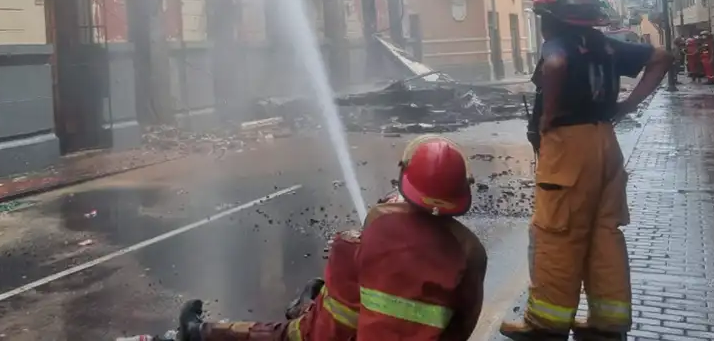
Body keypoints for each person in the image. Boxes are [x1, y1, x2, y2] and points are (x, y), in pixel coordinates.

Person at [176, 135, 488, 341]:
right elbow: (463, 325)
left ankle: (200, 332)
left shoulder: (381, 222)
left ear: (406, 181)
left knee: (288, 335)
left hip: (336, 330)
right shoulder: (470, 251)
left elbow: (346, 296)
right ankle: (309, 303)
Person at [500, 0, 673, 341]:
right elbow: (661, 57)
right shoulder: (606, 46)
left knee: (557, 232)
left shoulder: (558, 45)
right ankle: (606, 322)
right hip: (605, 142)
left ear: (551, 18)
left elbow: (557, 63)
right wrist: (628, 105)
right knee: (603, 233)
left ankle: (545, 324)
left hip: (568, 149)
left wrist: (549, 115)